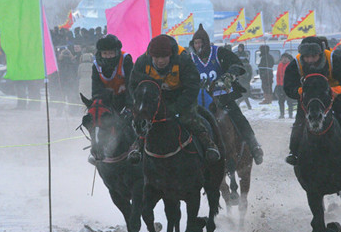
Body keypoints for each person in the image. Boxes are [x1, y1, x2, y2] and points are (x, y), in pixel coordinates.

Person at [128, 34, 220, 163]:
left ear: (170, 55)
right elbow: (133, 85)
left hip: (181, 96)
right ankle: (137, 144)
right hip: (154, 99)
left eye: (164, 57)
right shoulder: (142, 62)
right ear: (151, 56)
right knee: (144, 119)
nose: (160, 61)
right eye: (156, 57)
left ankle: (208, 143)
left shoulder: (183, 59)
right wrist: (140, 103)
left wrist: (176, 107)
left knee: (188, 118)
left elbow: (193, 86)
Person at [284, 36, 341, 166]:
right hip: (309, 99)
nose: (310, 60)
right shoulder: (295, 65)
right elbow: (288, 86)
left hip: (332, 95)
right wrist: (300, 91)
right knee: (299, 122)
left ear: (321, 53)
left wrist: (338, 89)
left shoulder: (334, 60)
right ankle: (294, 152)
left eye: (314, 56)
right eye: (306, 57)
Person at [188, 24, 264, 164]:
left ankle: (254, 146)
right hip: (200, 101)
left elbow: (237, 64)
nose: (198, 46)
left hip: (222, 98)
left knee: (238, 118)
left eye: (200, 42)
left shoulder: (218, 53)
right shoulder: (190, 59)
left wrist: (229, 76)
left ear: (206, 43)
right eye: (196, 43)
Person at [91, 34, 133, 113]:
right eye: (105, 53)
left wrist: (129, 107)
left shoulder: (125, 60)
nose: (108, 56)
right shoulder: (96, 66)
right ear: (100, 54)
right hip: (106, 100)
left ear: (116, 52)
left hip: (126, 98)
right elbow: (96, 90)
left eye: (111, 53)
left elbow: (131, 85)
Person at [275, 53, 295, 119]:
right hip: (280, 86)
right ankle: (282, 114)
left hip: (288, 86)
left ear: (288, 59)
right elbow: (277, 75)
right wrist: (278, 84)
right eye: (283, 58)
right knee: (281, 101)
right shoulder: (280, 65)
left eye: (286, 58)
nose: (284, 59)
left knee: (290, 101)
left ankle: (290, 114)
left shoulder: (290, 65)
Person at [236, 44, 253, 110]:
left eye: (240, 48)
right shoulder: (237, 55)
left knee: (246, 93)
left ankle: (239, 102)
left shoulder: (247, 65)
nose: (239, 49)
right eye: (239, 48)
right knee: (244, 93)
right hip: (241, 79)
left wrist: (248, 79)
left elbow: (250, 73)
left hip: (245, 79)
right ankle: (248, 105)